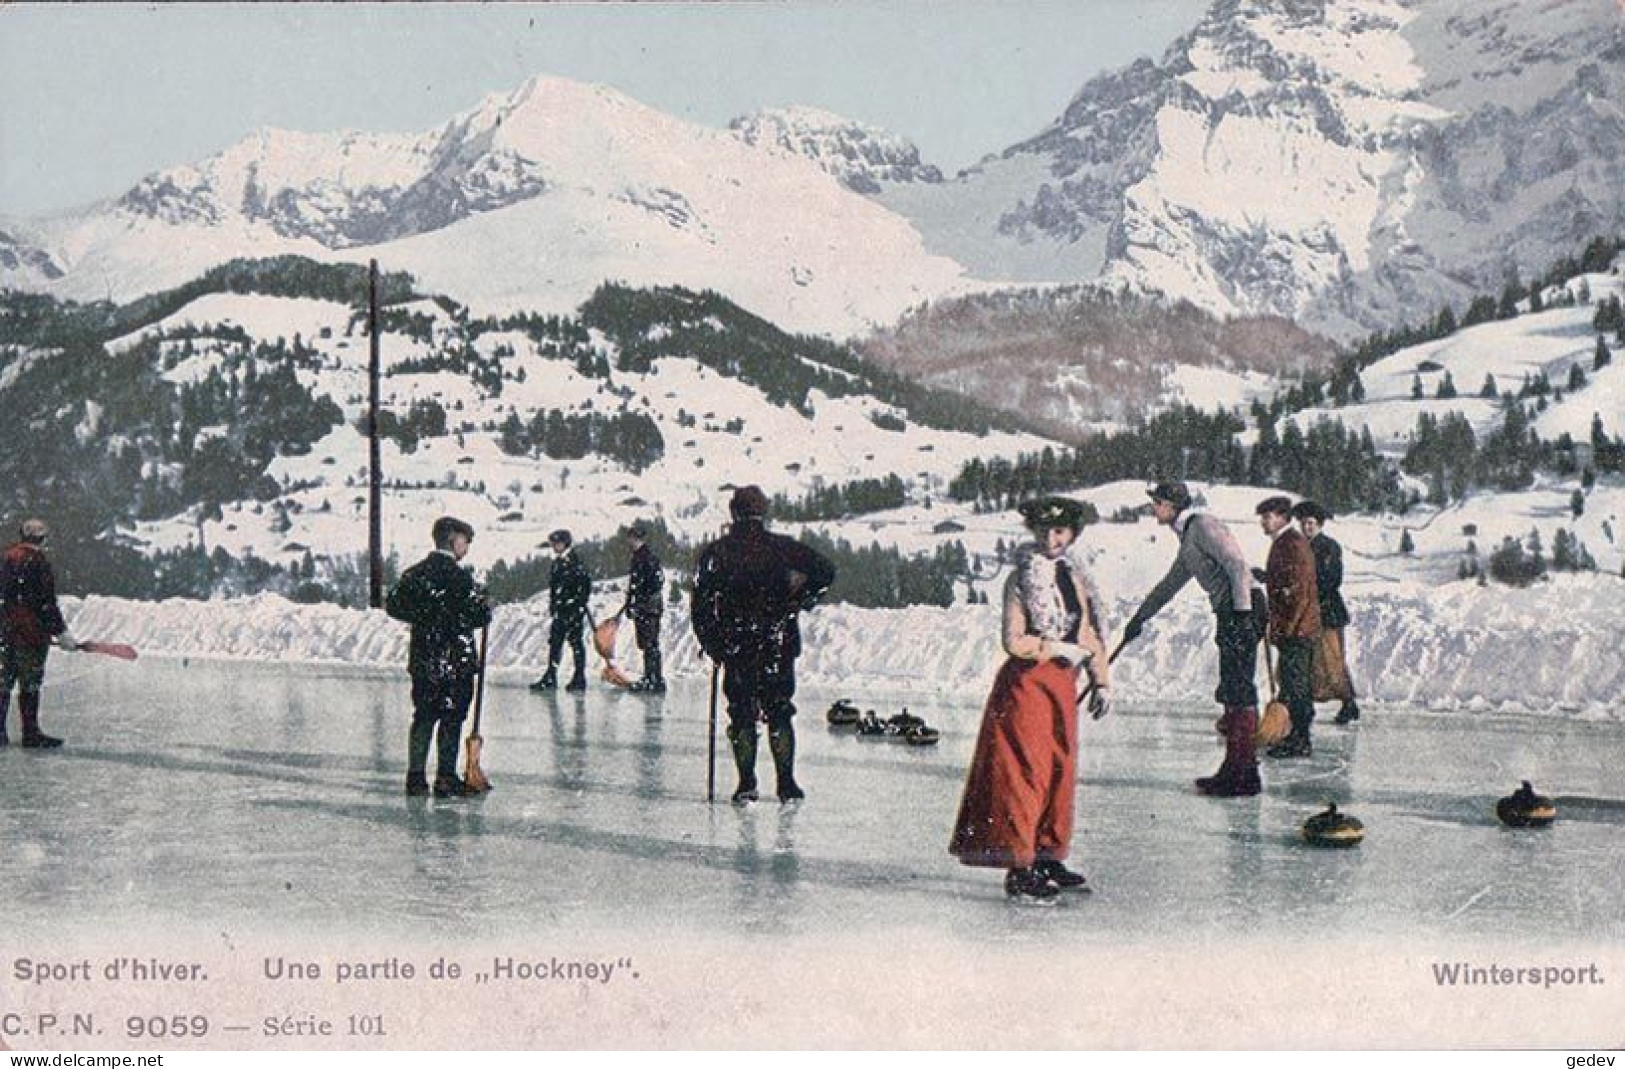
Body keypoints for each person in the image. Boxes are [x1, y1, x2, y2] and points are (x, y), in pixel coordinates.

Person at [949, 497, 1111, 902]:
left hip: (1061, 684)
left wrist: (1100, 678)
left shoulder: (1074, 577)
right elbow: (1014, 641)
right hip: (1026, 686)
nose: (1051, 539)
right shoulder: (1021, 579)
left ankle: (1048, 854)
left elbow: (1087, 631)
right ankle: (1020, 867)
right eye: (1043, 531)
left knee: (1060, 768)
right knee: (1025, 772)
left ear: (1073, 534)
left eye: (1059, 531)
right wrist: (1055, 649)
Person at [691, 485, 835, 804]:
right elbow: (826, 571)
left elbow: (700, 608)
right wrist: (800, 600)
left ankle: (746, 783)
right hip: (777, 642)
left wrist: (715, 644)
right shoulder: (783, 548)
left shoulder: (716, 553)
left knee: (741, 715)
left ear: (733, 512)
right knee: (780, 713)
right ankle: (786, 782)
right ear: (763, 512)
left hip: (737, 645)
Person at [1121, 481, 1263, 796]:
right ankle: (1238, 768)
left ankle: (1244, 773)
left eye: (1157, 502)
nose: (1153, 508)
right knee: (1232, 688)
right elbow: (1168, 586)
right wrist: (1139, 617)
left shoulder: (1203, 526)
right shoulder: (1188, 541)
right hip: (1232, 610)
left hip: (1243, 608)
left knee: (1238, 688)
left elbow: (1238, 566)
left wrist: (1241, 615)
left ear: (1172, 505)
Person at [384, 516, 492, 797]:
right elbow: (479, 616)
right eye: (465, 541)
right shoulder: (461, 578)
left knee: (424, 715)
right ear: (454, 540)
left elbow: (393, 605)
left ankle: (415, 778)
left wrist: (424, 615)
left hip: (424, 656)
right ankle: (445, 777)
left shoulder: (415, 574)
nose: (466, 547)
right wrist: (482, 605)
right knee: (452, 717)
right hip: (455, 658)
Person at [0, 519, 78, 749]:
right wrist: (61, 632)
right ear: (43, 539)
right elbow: (46, 603)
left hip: (4, 632)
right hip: (31, 635)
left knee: (3, 681)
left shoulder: (6, 558)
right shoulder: (39, 562)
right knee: (30, 683)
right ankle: (30, 732)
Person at [1257, 496, 1321, 758]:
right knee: (1294, 683)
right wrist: (1266, 576)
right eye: (1262, 517)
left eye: (1268, 516)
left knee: (1296, 685)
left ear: (1283, 517)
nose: (1263, 521)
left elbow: (1297, 590)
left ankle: (1300, 740)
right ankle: (1296, 735)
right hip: (1297, 627)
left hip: (1298, 629)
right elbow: (1286, 580)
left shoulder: (1291, 543)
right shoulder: (1286, 542)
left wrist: (1288, 629)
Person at [1292, 501, 1361, 724]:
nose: (1307, 528)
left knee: (1331, 659)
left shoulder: (1330, 547)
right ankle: (1306, 705)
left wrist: (1307, 585)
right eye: (1303, 524)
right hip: (1305, 612)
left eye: (1311, 524)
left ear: (1320, 525)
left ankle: (1349, 703)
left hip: (1327, 611)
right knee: (1307, 660)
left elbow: (1333, 579)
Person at [530, 529, 592, 693]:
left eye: (556, 543)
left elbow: (584, 587)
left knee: (575, 643)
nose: (554, 546)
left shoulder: (575, 561)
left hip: (572, 611)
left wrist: (576, 606)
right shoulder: (559, 562)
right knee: (556, 644)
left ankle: (579, 677)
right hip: (561, 611)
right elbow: (555, 588)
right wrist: (555, 606)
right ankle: (551, 676)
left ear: (565, 543)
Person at [620, 522, 666, 693]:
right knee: (648, 644)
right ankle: (651, 677)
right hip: (646, 608)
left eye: (630, 539)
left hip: (649, 609)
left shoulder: (646, 558)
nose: (628, 543)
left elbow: (655, 583)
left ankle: (654, 678)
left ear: (635, 538)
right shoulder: (641, 557)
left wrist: (640, 601)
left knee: (650, 643)